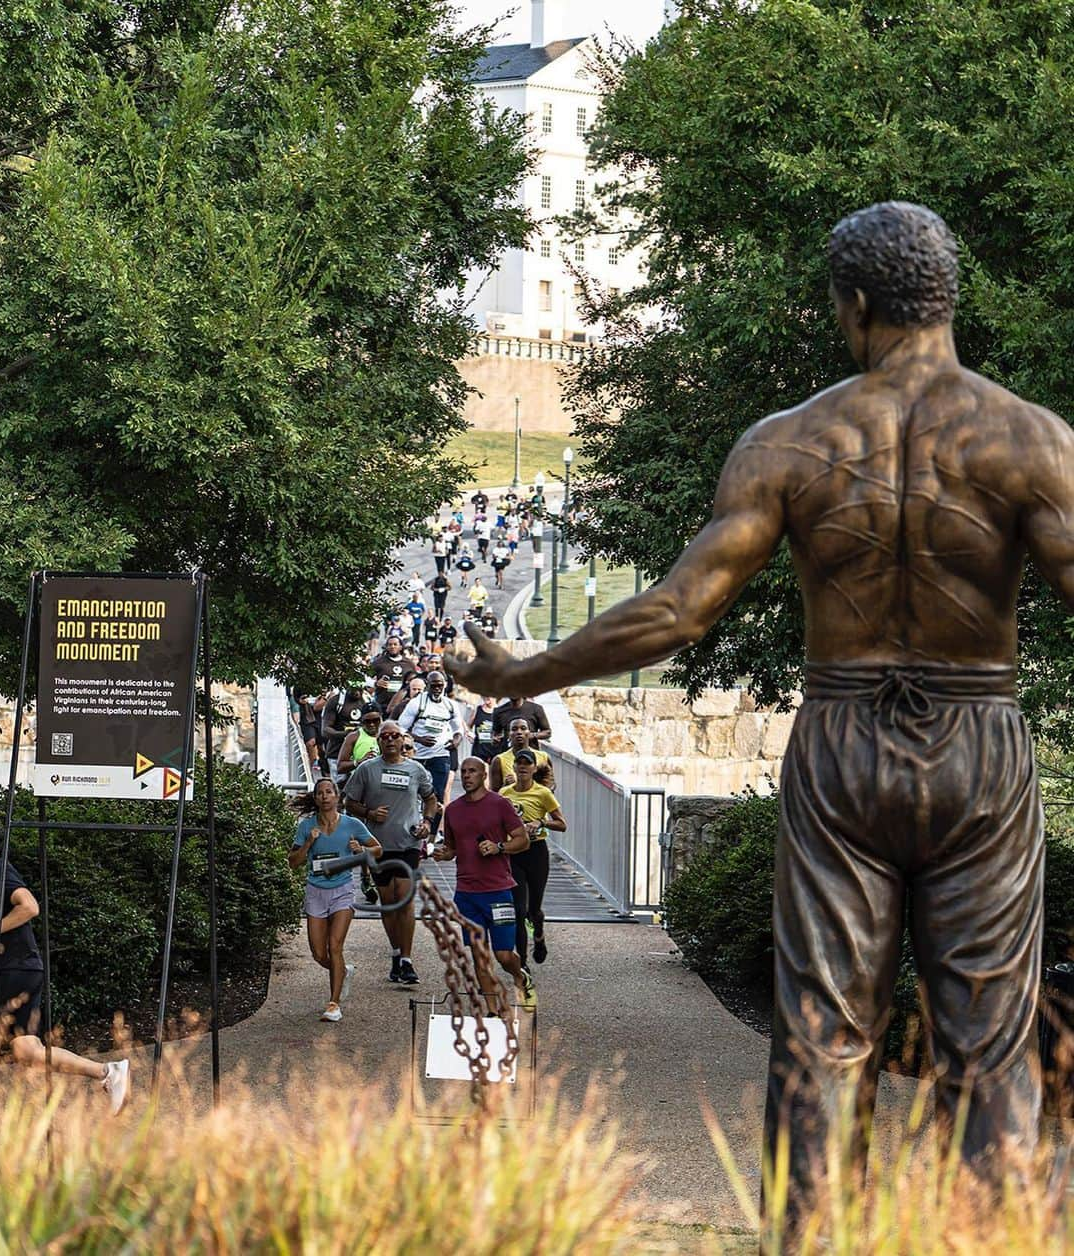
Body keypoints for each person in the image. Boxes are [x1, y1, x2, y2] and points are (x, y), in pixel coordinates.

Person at [447, 201, 1074, 1230]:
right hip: (979, 744)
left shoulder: (792, 441)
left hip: (840, 745)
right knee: (987, 1039)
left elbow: (678, 610)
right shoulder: (1032, 440)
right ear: (948, 298)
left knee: (825, 1033)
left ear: (855, 303)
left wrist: (523, 674)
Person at [0, 825, 130, 1113]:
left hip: (12, 969)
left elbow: (29, 906)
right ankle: (108, 1072)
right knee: (25, 1050)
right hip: (20, 969)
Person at [432, 758, 536, 1014]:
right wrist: (445, 854)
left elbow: (522, 841)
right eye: (464, 772)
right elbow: (454, 847)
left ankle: (520, 976)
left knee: (503, 955)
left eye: (472, 772)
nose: (467, 776)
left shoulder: (500, 804)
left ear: (484, 775)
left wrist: (499, 847)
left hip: (498, 891)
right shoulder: (453, 810)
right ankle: (492, 1010)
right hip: (467, 894)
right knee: (479, 955)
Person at [345, 721, 438, 984]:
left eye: (394, 736)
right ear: (378, 741)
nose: (389, 740)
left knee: (404, 900)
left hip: (408, 843)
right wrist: (369, 813)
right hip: (378, 845)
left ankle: (407, 961)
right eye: (384, 736)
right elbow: (349, 802)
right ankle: (396, 954)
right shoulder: (366, 770)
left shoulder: (415, 769)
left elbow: (431, 798)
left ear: (402, 740)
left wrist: (427, 823)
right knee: (388, 902)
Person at [289, 778, 381, 1022]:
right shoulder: (306, 826)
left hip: (343, 890)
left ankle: (333, 1004)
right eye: (320, 793)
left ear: (337, 797)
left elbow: (377, 849)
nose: (325, 796)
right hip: (315, 890)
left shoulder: (352, 824)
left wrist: (360, 851)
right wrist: (309, 842)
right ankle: (342, 971)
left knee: (334, 946)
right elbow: (293, 862)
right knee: (319, 953)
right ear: (315, 798)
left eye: (329, 792)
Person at [501, 749, 566, 975]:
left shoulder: (543, 793)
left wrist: (541, 822)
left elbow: (562, 824)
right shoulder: (505, 793)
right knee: (518, 910)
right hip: (515, 852)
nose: (522, 767)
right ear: (515, 767)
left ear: (533, 768)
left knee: (533, 909)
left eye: (526, 764)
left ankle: (538, 932)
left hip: (536, 851)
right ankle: (523, 962)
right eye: (518, 763)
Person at [397, 670, 462, 822]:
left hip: (440, 755)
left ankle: (432, 837)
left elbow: (458, 730)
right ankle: (412, 824)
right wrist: (419, 739)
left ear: (445, 686)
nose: (437, 689)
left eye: (440, 686)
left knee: (437, 795)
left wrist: (456, 741)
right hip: (418, 755)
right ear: (427, 686)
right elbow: (401, 728)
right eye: (434, 686)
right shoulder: (417, 703)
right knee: (412, 793)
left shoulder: (450, 705)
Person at [488, 719, 550, 791]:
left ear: (529, 732)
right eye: (514, 729)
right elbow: (494, 793)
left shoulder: (543, 757)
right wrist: (506, 786)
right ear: (509, 734)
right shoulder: (499, 760)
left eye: (523, 728)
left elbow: (551, 785)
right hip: (511, 801)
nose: (519, 732)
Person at [320, 686, 364, 778]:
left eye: (360, 689)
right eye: (354, 689)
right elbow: (325, 730)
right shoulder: (336, 701)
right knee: (339, 788)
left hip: (361, 755)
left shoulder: (368, 701)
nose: (357, 692)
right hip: (337, 754)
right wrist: (347, 735)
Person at [336, 708, 382, 777]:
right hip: (361, 780)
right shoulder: (353, 737)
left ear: (381, 718)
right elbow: (340, 767)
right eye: (367, 721)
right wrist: (359, 762)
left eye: (375, 720)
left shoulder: (390, 735)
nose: (372, 724)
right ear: (362, 721)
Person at [468, 695, 497, 762]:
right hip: (478, 751)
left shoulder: (499, 712)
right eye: (483, 695)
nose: (486, 697)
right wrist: (469, 734)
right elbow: (469, 726)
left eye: (488, 695)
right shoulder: (478, 709)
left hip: (493, 753)